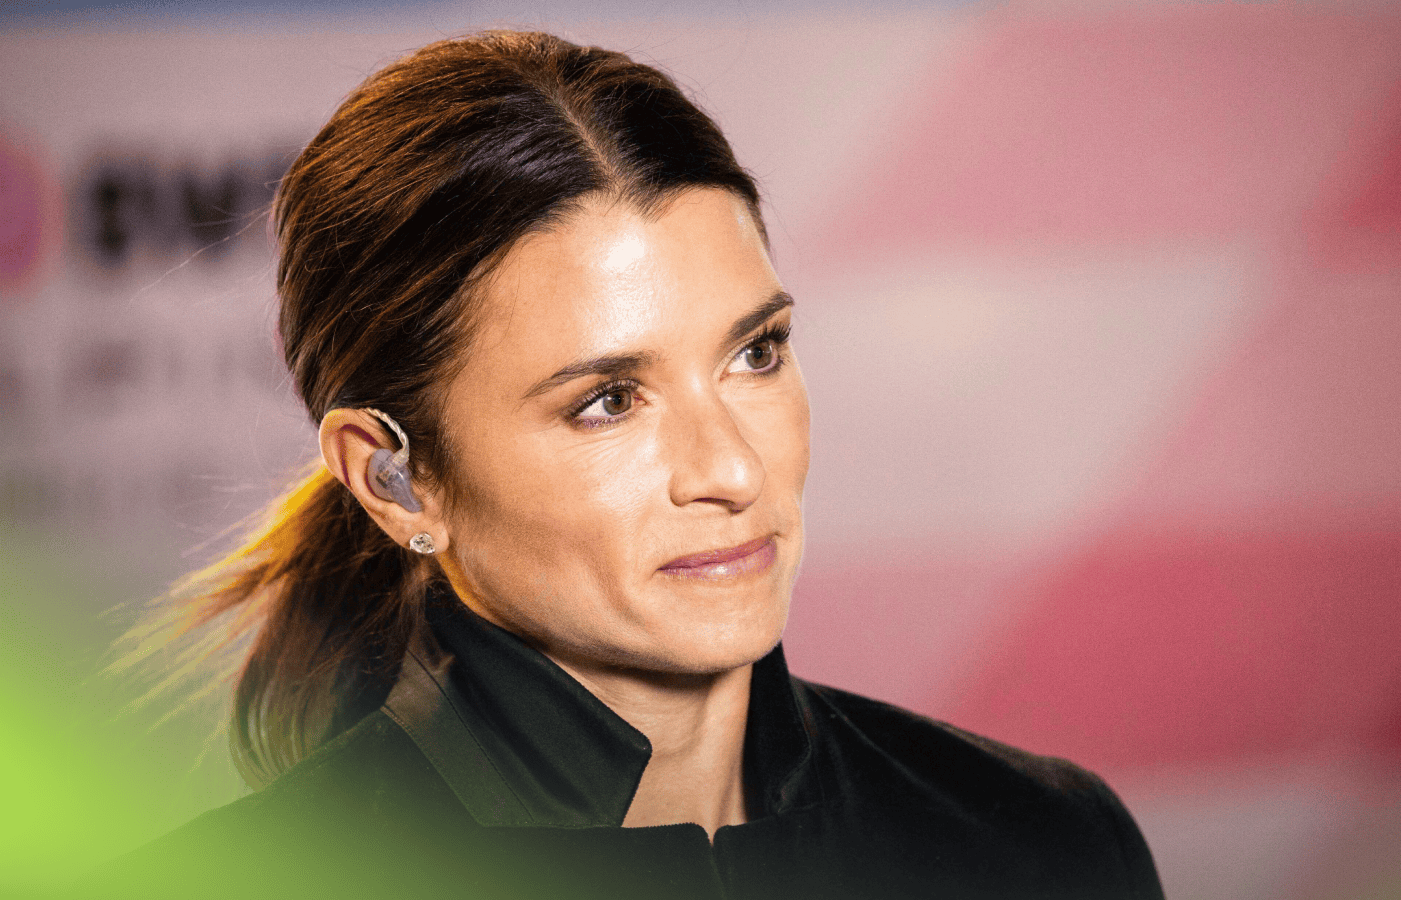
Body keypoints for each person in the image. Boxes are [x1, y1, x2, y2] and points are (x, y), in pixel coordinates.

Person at [92, 31, 1164, 900]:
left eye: (755, 354)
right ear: (394, 480)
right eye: (608, 400)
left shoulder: (1041, 845)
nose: (730, 469)